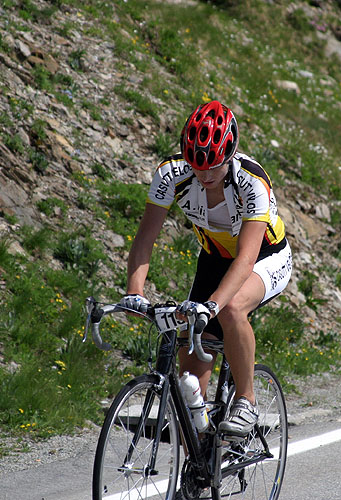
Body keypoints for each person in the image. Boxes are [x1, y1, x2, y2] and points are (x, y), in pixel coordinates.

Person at [119, 100, 293, 438]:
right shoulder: (170, 174)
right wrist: (134, 291)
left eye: (214, 166)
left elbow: (245, 258)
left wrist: (210, 306)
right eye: (197, 167)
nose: (206, 175)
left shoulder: (252, 181)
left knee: (229, 310)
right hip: (214, 258)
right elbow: (145, 237)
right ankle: (195, 473)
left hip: (264, 256)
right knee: (190, 379)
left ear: (230, 154)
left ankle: (246, 400)